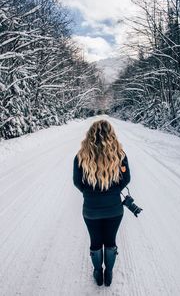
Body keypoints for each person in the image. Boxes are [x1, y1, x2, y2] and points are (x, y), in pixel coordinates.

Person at [73, 119, 131, 287]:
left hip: (91, 210)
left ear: (90, 136)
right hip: (114, 209)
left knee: (95, 241)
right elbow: (126, 178)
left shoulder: (80, 156)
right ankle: (109, 272)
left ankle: (98, 272)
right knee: (110, 241)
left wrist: (89, 193)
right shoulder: (120, 155)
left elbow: (77, 182)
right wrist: (113, 191)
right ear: (111, 135)